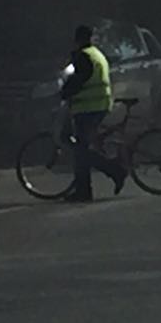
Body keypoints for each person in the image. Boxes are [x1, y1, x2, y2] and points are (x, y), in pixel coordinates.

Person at [59, 24, 126, 201]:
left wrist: (64, 93)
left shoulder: (84, 56)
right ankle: (86, 188)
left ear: (77, 39)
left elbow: (78, 80)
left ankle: (112, 172)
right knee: (82, 148)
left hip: (88, 107)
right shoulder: (96, 54)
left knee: (82, 150)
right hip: (98, 104)